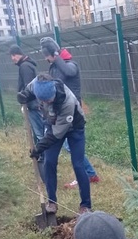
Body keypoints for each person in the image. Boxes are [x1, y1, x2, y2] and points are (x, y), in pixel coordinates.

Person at [18, 73, 92, 215]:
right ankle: (52, 202)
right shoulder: (36, 84)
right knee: (49, 162)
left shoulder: (67, 101)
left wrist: (39, 147)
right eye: (43, 101)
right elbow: (27, 92)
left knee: (78, 164)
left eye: (49, 100)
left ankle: (86, 205)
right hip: (52, 124)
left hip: (74, 128)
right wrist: (23, 96)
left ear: (53, 93)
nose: (47, 103)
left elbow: (56, 134)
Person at [39, 37, 100, 187]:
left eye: (47, 55)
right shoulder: (54, 66)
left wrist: (56, 55)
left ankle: (88, 175)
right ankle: (90, 174)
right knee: (69, 146)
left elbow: (69, 72)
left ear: (53, 53)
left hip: (72, 112)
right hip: (60, 110)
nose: (46, 59)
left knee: (70, 146)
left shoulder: (70, 65)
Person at [9, 44, 44, 143]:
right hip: (33, 103)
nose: (12, 59)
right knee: (39, 131)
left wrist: (24, 100)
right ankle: (42, 155)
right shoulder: (27, 64)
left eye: (13, 55)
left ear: (17, 54)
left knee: (39, 132)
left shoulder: (25, 66)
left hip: (32, 104)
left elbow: (29, 87)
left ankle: (44, 156)